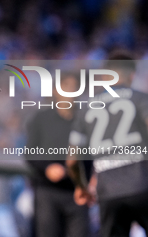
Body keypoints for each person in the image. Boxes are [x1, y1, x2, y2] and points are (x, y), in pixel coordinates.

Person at [67, 50, 148, 237]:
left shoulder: (86, 107)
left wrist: (82, 186)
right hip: (143, 184)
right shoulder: (140, 98)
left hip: (108, 192)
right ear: (132, 75)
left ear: (105, 76)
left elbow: (72, 161)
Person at [26, 72, 90, 237]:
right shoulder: (42, 118)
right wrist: (47, 168)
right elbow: (30, 152)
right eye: (66, 87)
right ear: (56, 90)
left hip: (78, 192)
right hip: (47, 191)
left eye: (75, 88)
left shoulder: (85, 120)